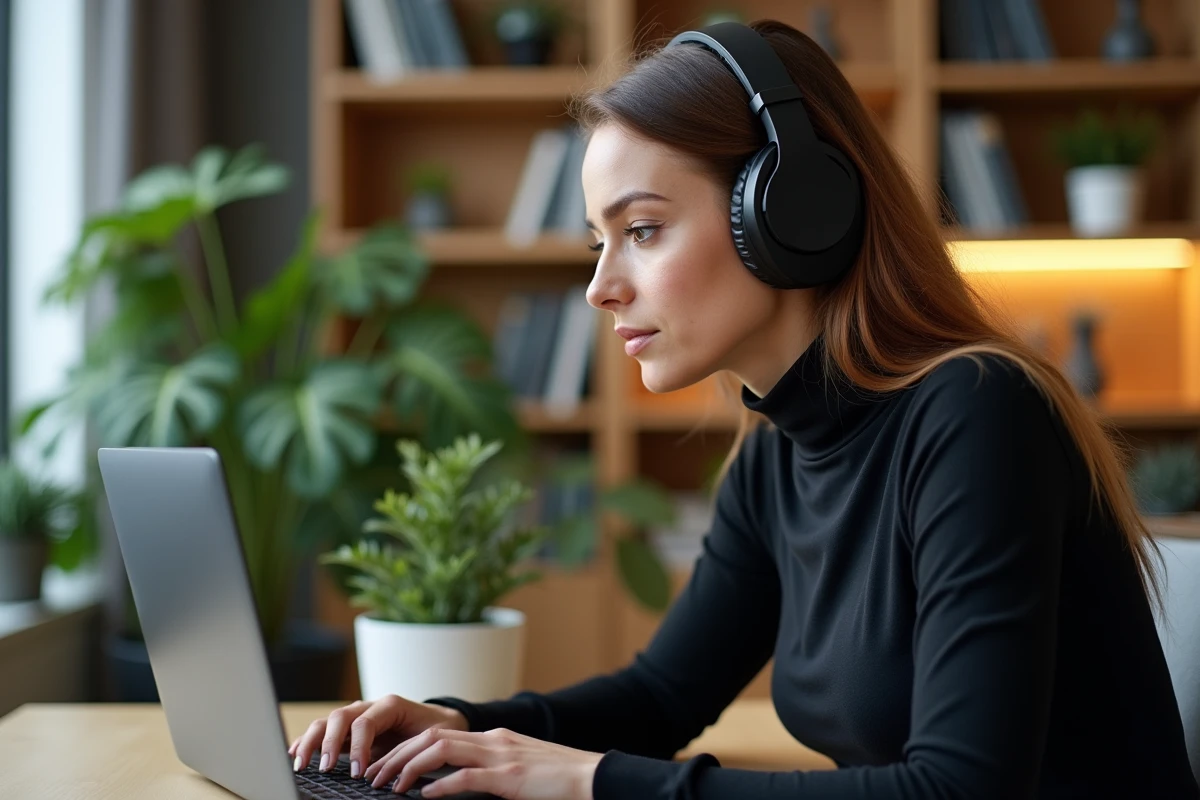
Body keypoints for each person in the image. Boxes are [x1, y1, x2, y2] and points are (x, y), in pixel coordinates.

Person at [288, 19, 1199, 800]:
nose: (602, 288)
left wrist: (581, 778)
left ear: (790, 210)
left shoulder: (977, 416)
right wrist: (457, 729)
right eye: (601, 241)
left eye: (641, 230)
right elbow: (661, 697)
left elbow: (958, 788)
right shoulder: (775, 455)